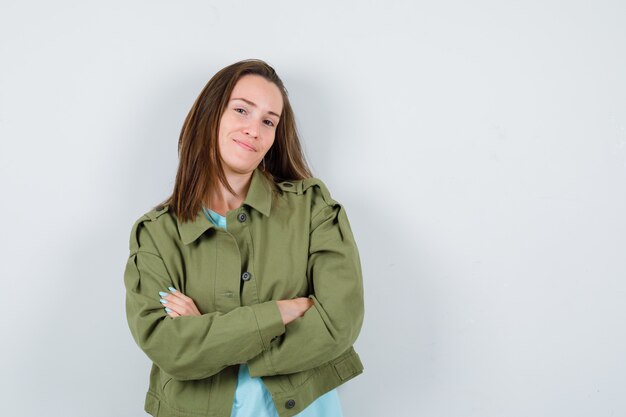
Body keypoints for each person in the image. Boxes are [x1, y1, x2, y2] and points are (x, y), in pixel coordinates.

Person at [123, 59, 365, 417]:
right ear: (210, 116)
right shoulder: (156, 233)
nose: (254, 129)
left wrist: (209, 334)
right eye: (241, 110)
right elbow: (169, 347)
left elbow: (339, 322)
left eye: (268, 121)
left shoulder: (312, 208)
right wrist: (283, 311)